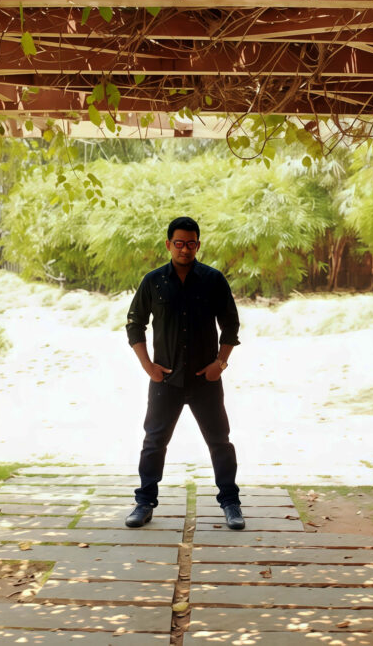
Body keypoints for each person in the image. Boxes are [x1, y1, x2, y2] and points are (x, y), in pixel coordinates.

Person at [124, 216, 244, 530]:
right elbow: (134, 324)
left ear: (198, 245)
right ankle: (144, 503)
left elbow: (231, 325)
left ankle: (231, 504)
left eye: (191, 243)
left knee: (220, 442)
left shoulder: (213, 280)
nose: (184, 249)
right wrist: (148, 366)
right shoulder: (153, 281)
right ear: (168, 245)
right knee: (153, 443)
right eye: (179, 243)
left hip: (205, 380)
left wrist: (221, 363)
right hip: (166, 381)